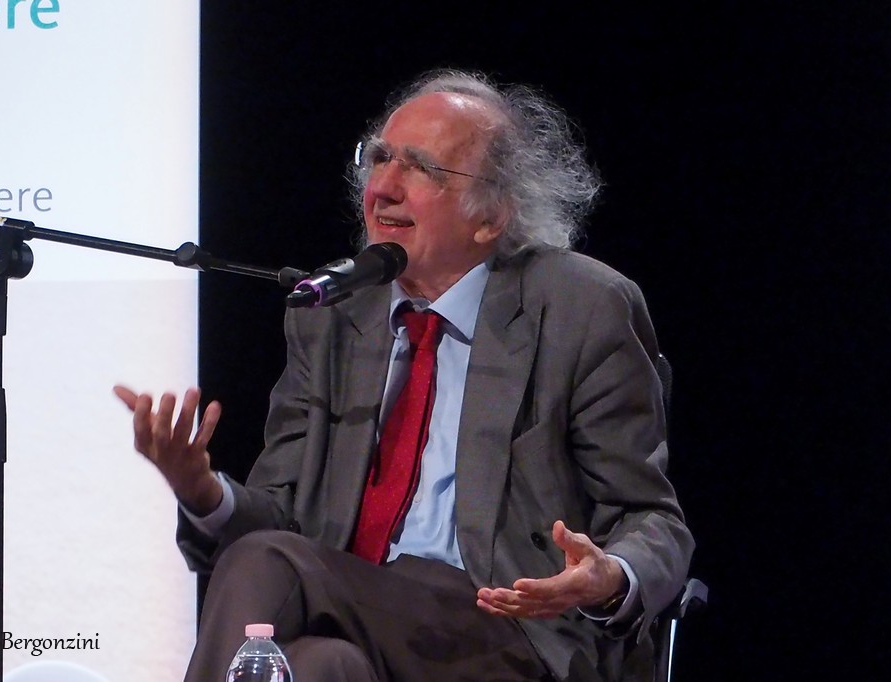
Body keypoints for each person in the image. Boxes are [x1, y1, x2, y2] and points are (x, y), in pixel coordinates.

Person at [115, 69, 693, 682]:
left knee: (267, 563)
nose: (383, 188)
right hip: (362, 617)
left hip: (509, 630)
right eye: (379, 159)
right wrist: (201, 491)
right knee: (320, 665)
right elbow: (283, 520)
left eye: (420, 168)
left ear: (491, 215)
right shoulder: (334, 314)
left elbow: (653, 519)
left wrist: (610, 576)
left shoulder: (581, 307)